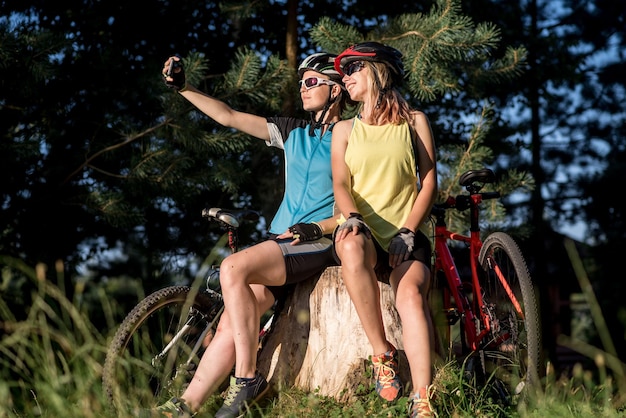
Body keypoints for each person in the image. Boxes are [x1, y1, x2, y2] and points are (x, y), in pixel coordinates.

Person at [151, 52, 351, 417]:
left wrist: (326, 226)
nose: (302, 88)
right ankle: (185, 407)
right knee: (231, 321)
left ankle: (246, 378)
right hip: (280, 242)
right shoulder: (293, 131)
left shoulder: (350, 132)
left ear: (335, 90)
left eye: (310, 82)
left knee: (231, 269)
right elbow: (228, 116)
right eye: (300, 82)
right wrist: (183, 88)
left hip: (316, 241)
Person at [330, 42, 438, 418]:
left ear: (377, 72)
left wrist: (408, 230)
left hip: (405, 236)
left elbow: (429, 184)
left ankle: (422, 400)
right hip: (364, 233)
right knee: (351, 246)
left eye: (352, 69)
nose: (344, 78)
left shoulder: (414, 122)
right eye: (342, 73)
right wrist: (352, 217)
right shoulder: (344, 129)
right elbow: (341, 184)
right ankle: (382, 353)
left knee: (410, 298)